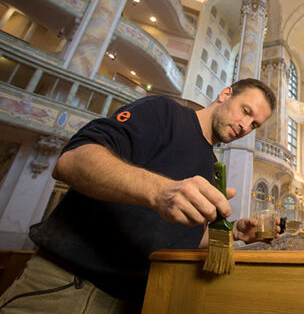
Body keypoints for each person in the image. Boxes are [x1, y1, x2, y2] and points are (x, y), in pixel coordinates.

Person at [0, 78, 276, 313]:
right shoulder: (163, 112)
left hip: (139, 299)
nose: (245, 126)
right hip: (68, 286)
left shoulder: (212, 166)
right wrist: (159, 191)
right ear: (225, 94)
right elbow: (72, 161)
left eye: (254, 124)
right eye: (245, 111)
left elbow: (186, 236)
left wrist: (236, 232)